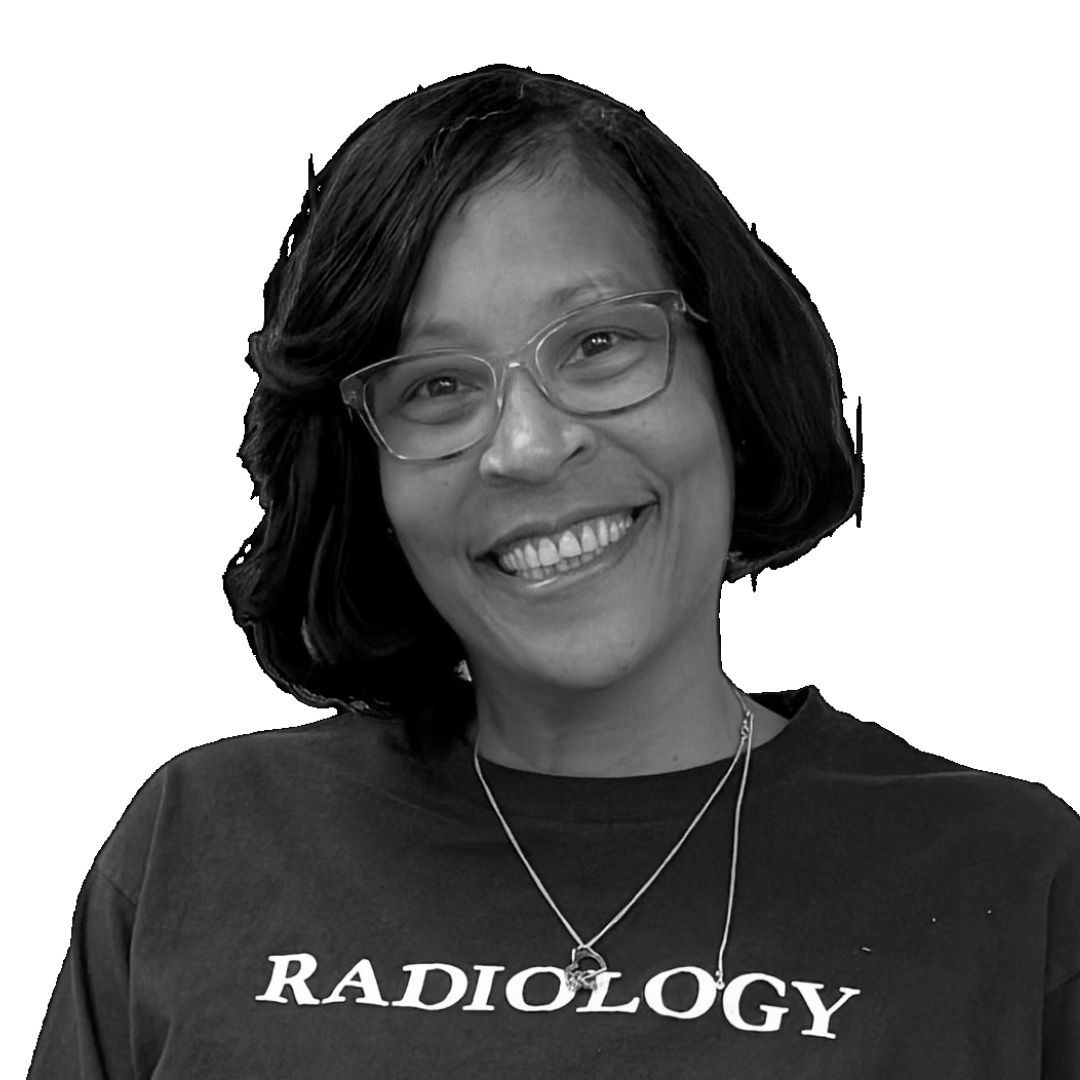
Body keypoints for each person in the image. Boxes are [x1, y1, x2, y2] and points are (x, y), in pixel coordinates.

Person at [28, 64, 1079, 1078]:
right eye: (436, 385)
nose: (527, 446)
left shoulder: (1018, 885)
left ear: (730, 371)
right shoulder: (200, 845)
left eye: (599, 343)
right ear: (370, 476)